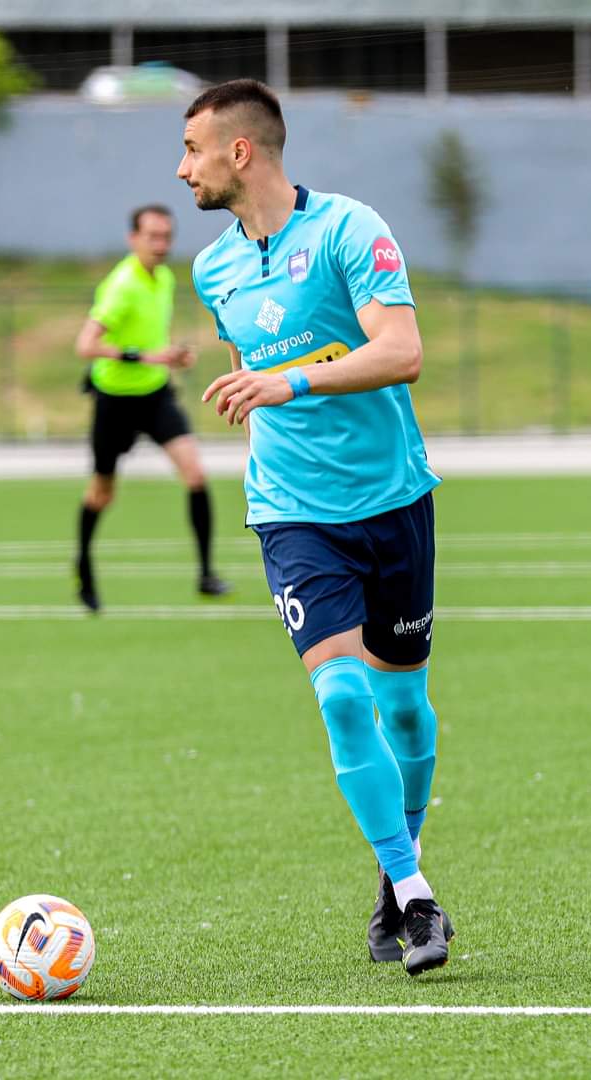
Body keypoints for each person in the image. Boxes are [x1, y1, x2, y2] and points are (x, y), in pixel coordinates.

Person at [180, 80, 454, 976]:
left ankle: (395, 866)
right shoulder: (213, 269)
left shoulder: (348, 230)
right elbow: (245, 378)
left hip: (392, 500)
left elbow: (402, 352)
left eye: (192, 150)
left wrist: (289, 380)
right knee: (341, 697)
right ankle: (416, 894)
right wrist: (266, 398)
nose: (183, 169)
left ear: (241, 151)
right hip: (293, 514)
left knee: (404, 706)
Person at [73, 204, 232, 612]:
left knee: (195, 474)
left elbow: (151, 342)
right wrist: (146, 357)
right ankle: (84, 567)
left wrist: (170, 357)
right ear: (133, 239)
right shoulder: (121, 285)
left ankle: (206, 574)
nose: (161, 245)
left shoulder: (164, 279)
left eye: (167, 236)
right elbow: (86, 345)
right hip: (114, 400)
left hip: (155, 395)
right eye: (152, 236)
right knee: (102, 493)